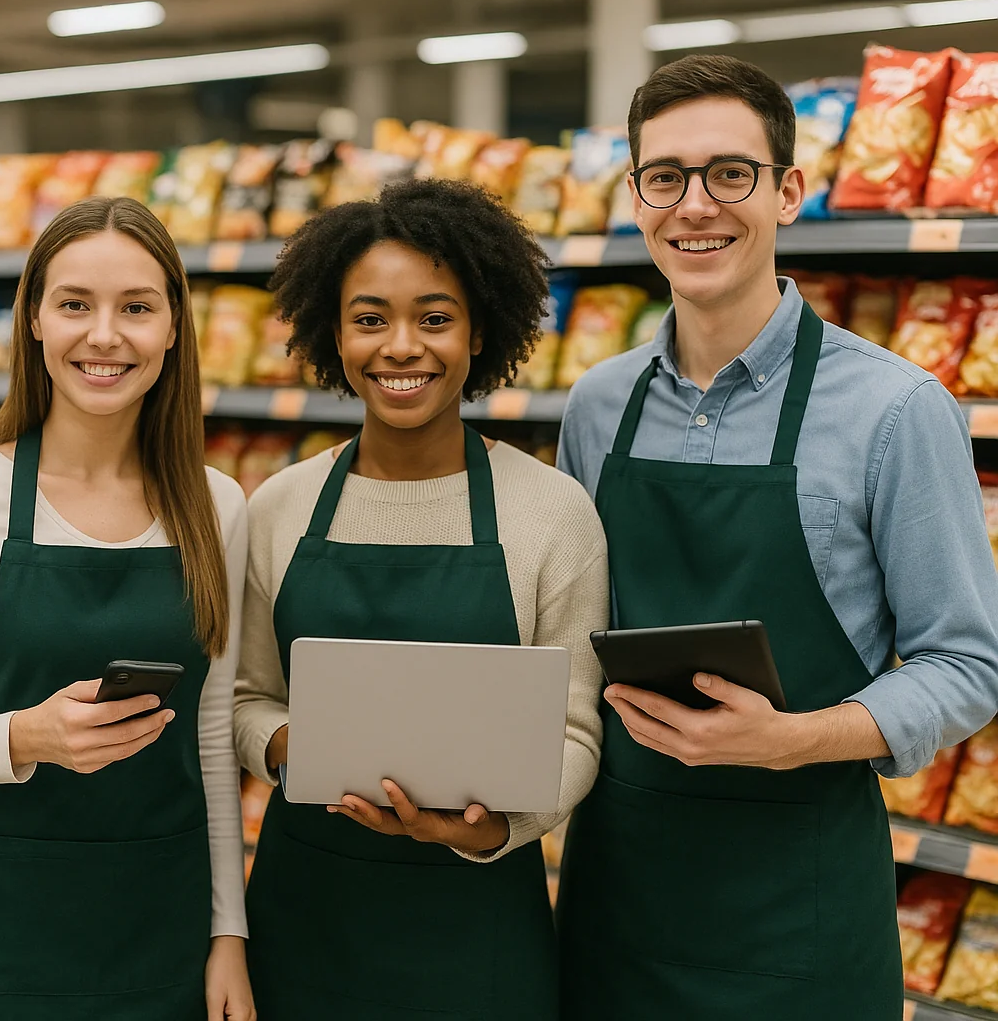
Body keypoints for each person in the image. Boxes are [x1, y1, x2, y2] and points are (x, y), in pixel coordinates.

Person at [555, 54, 998, 1021]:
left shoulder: (896, 409)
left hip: (798, 903)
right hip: (619, 892)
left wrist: (794, 739)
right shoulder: (597, 406)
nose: (695, 205)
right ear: (636, 197)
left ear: (790, 191)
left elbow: (966, 664)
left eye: (731, 173)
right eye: (666, 177)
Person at [232, 178, 608, 1020]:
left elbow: (578, 730)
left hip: (477, 933)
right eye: (370, 319)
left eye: (434, 318)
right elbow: (246, 699)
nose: (402, 347)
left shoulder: (551, 512)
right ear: (333, 334)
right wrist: (302, 749)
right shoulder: (280, 507)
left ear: (481, 332)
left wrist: (488, 828)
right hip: (305, 923)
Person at [0, 195, 254, 1021]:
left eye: (137, 308)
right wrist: (25, 736)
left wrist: (229, 933)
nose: (105, 335)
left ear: (174, 328)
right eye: (75, 304)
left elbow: (213, 730)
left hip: (162, 924)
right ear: (35, 321)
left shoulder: (217, 509)